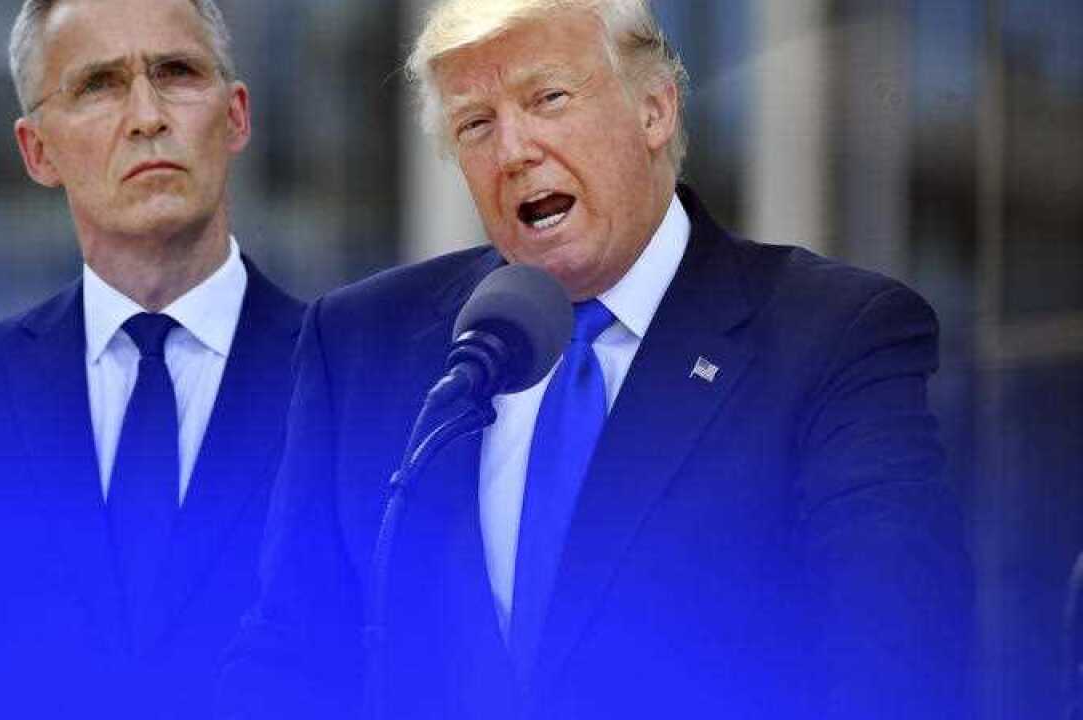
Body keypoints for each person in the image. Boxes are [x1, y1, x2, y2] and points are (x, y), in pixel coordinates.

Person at [221, 1, 971, 718]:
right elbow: (291, 658)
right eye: (476, 124)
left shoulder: (833, 337)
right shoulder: (360, 347)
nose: (514, 150)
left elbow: (895, 670)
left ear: (656, 110)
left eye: (547, 98)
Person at [0, 1, 303, 718]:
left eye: (177, 72)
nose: (148, 116)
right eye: (99, 85)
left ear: (237, 116)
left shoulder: (353, 385)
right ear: (38, 152)